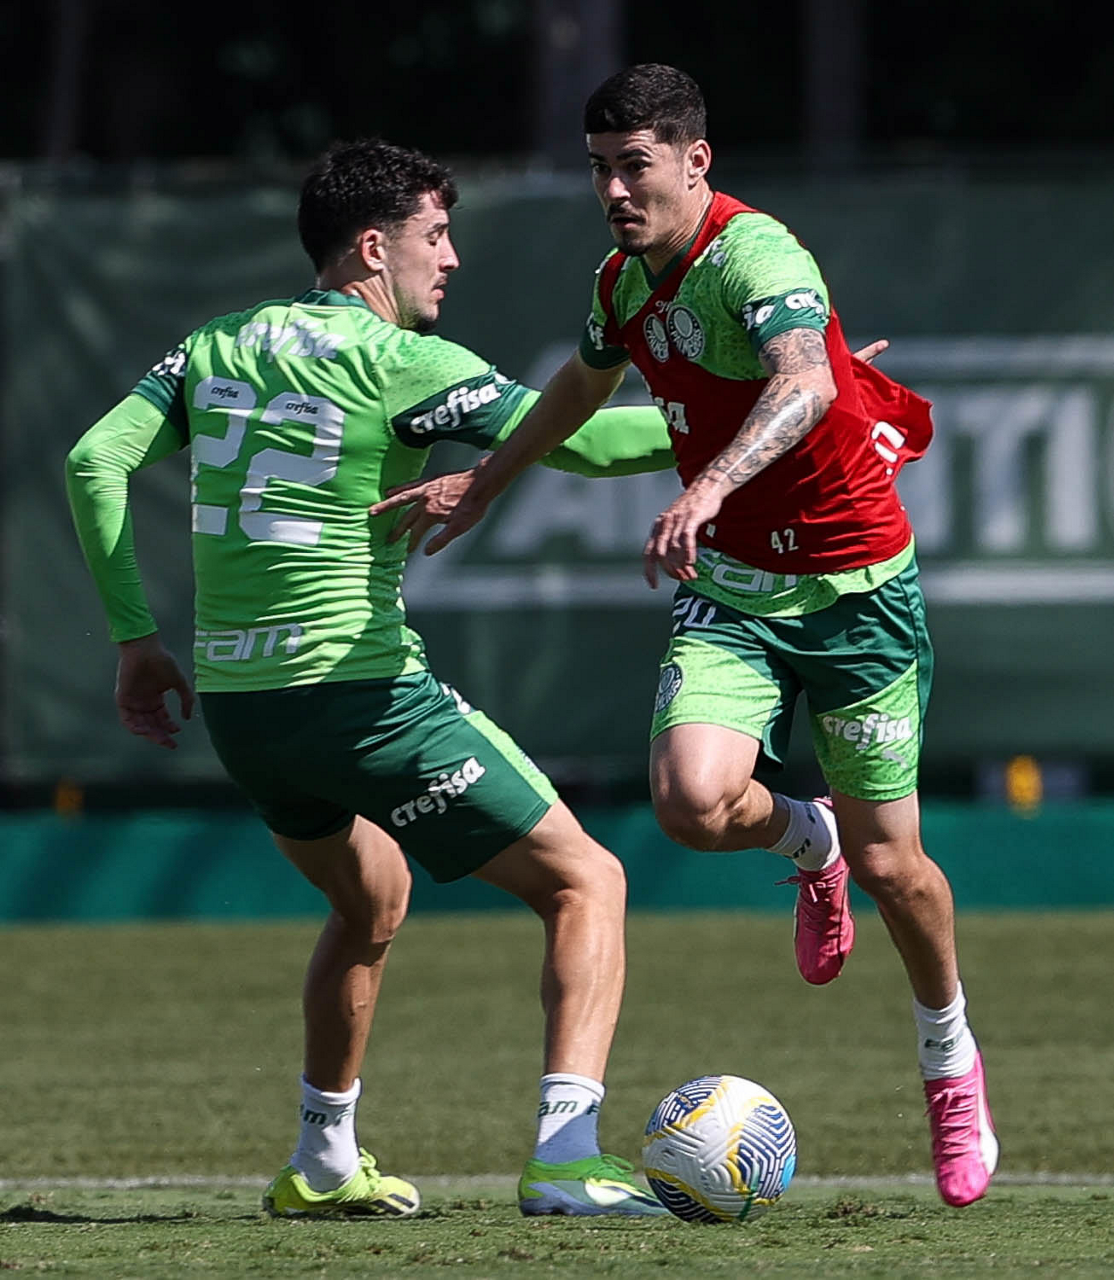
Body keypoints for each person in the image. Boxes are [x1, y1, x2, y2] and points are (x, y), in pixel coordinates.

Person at [369, 65, 998, 1209]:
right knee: (689, 801)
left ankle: (948, 1055)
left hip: (856, 592)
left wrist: (704, 486)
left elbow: (805, 383)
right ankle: (805, 838)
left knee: (895, 867)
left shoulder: (757, 256)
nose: (613, 189)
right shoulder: (618, 282)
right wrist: (485, 482)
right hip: (736, 593)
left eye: (635, 165)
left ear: (695, 161)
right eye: (598, 168)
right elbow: (575, 390)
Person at [65, 137, 682, 1220]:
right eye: (434, 235)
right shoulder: (404, 363)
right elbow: (586, 445)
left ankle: (321, 1160)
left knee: (371, 896)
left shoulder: (216, 343)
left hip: (244, 712)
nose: (450, 258)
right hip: (359, 695)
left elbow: (93, 460)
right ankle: (565, 1157)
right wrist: (765, 419)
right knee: (587, 881)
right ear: (370, 246)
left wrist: (135, 641)